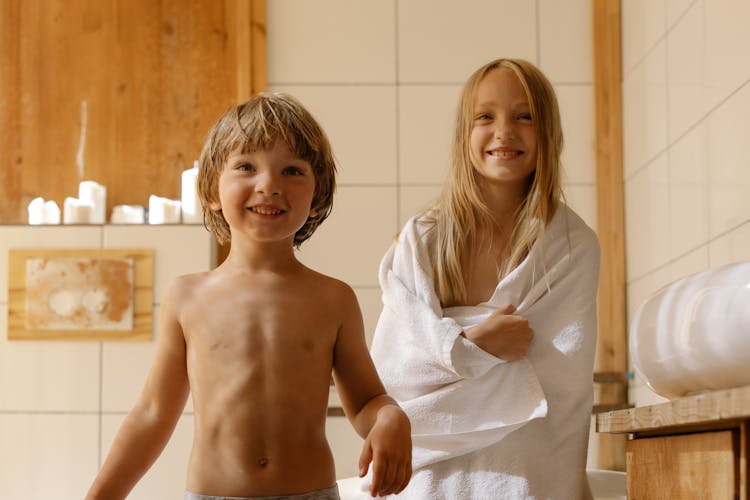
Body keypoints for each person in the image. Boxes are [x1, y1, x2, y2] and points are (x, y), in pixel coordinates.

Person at [86, 93, 412, 500]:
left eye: (292, 170)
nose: (269, 185)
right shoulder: (187, 297)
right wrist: (100, 496)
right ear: (211, 191)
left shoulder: (333, 299)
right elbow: (153, 415)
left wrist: (391, 417)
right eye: (245, 166)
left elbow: (365, 403)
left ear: (317, 198)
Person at [368, 58, 600, 499]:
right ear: (464, 135)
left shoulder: (573, 246)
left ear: (547, 133)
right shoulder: (424, 238)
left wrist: (452, 348)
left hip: (527, 475)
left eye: (524, 116)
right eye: (485, 117)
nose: (504, 132)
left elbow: (561, 384)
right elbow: (392, 370)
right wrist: (472, 347)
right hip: (429, 478)